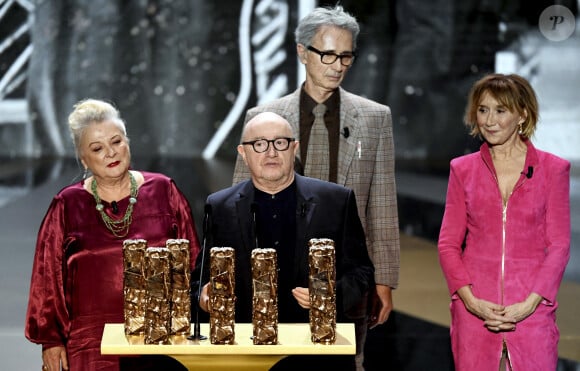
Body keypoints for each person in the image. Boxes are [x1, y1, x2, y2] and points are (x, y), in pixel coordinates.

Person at [232, 6, 400, 368]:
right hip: (275, 270)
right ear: (302, 52)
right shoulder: (263, 118)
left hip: (346, 277)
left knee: (346, 362)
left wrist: (384, 280)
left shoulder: (374, 118)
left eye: (346, 56)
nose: (337, 65)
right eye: (327, 54)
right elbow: (238, 202)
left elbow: (382, 203)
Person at [25, 99, 201, 371]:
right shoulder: (67, 204)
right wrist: (51, 341)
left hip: (161, 341)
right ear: (84, 158)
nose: (110, 152)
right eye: (97, 148)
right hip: (90, 346)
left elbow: (194, 265)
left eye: (116, 141)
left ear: (127, 142)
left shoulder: (164, 191)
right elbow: (47, 281)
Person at [194, 112, 374, 370]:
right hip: (245, 350)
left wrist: (328, 295)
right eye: (259, 144)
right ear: (243, 153)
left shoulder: (336, 201)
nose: (270, 152)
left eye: (280, 143)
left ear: (294, 148)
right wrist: (203, 296)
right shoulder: (219, 205)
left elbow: (362, 272)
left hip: (316, 351)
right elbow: (200, 277)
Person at [438, 73, 570, 370]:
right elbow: (448, 244)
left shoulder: (554, 170)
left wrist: (530, 304)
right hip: (474, 312)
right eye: (483, 110)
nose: (489, 120)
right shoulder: (462, 169)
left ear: (522, 114)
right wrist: (471, 302)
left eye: (501, 110)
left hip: (532, 311)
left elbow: (559, 246)